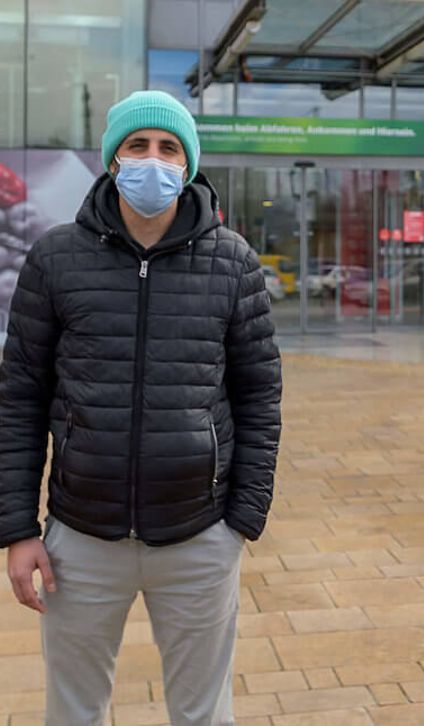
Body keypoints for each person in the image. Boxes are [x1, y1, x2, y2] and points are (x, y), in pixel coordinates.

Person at [0, 90, 282, 725]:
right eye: (137, 145)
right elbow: (19, 398)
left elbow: (260, 393)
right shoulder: (55, 258)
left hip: (199, 536)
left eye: (168, 148)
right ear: (112, 159)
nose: (152, 160)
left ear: (187, 164)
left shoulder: (232, 262)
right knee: (73, 713)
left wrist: (242, 520)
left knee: (203, 715)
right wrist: (18, 529)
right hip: (80, 539)